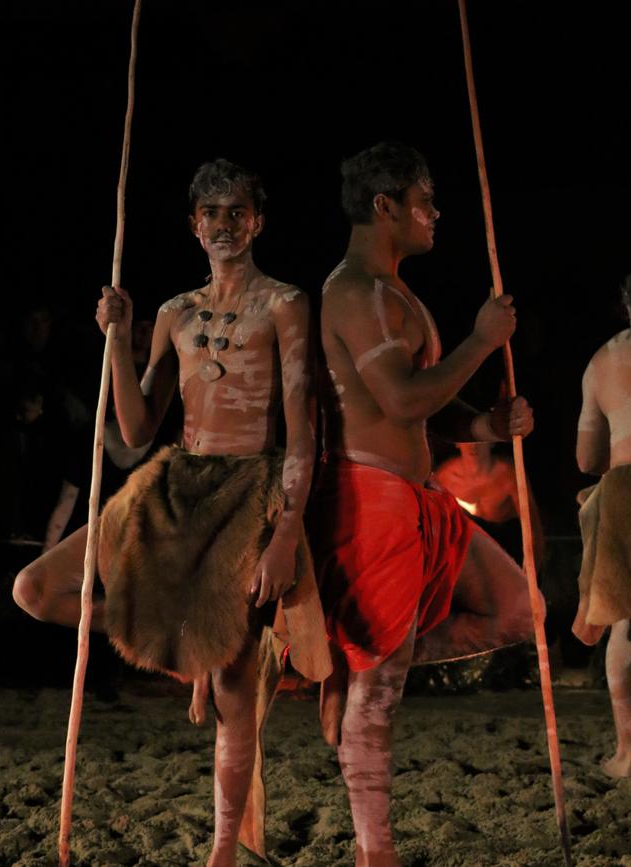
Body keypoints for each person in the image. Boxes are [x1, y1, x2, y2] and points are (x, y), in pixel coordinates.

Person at [13, 158, 330, 867]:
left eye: (236, 211)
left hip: (249, 486)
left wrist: (286, 531)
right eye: (210, 212)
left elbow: (302, 429)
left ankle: (223, 849)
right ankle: (172, 639)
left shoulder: (285, 303)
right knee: (33, 590)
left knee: (232, 682)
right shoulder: (175, 313)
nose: (223, 224)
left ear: (258, 221)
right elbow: (133, 427)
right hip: (175, 478)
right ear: (193, 224)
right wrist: (114, 340)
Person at [309, 141, 539, 867]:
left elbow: (425, 405)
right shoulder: (351, 291)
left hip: (425, 498)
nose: (435, 214)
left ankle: (364, 662)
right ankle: (375, 852)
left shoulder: (397, 292)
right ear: (385, 207)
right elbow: (401, 398)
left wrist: (485, 426)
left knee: (521, 611)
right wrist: (478, 340)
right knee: (378, 705)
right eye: (424, 200)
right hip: (373, 498)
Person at [572, 273, 631, 778]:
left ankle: (628, 753)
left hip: (624, 489)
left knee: (625, 626)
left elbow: (587, 458)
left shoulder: (603, 362)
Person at [434, 440, 545, 570]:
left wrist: (529, 571)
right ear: (458, 443)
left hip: (510, 548)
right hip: (469, 553)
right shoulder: (444, 478)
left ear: (491, 442)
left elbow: (532, 528)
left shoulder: (508, 474)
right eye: (467, 440)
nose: (473, 446)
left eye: (479, 440)